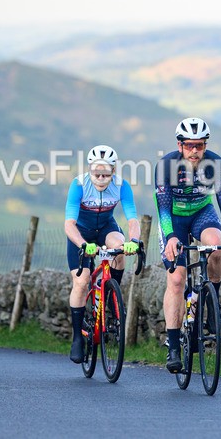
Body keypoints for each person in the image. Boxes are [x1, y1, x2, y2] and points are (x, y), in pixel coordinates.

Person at [154, 117, 221, 373]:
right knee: (176, 279)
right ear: (180, 145)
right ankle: (174, 345)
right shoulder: (167, 165)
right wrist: (171, 237)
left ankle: (211, 301)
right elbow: (163, 208)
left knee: (216, 247)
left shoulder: (216, 164)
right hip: (173, 218)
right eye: (190, 146)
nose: (195, 151)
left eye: (200, 145)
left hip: (201, 213)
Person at [64, 144, 141, 363]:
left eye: (105, 174)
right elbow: (69, 224)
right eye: (96, 174)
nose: (100, 178)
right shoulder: (78, 185)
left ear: (113, 172)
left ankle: (109, 296)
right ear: (90, 170)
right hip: (81, 233)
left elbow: (132, 218)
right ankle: (77, 337)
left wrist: (133, 241)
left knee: (119, 247)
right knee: (82, 281)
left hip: (106, 227)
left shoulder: (121, 186)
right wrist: (82, 244)